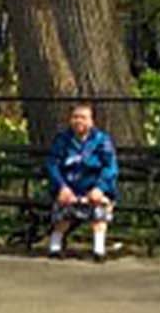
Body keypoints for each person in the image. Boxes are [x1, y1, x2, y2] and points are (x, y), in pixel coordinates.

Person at [44, 102, 118, 260]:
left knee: (100, 207)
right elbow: (52, 165)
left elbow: (110, 167)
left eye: (83, 118)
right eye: (75, 117)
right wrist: (62, 187)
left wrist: (100, 188)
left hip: (93, 189)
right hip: (69, 188)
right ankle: (55, 247)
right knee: (62, 208)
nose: (79, 121)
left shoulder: (102, 140)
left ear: (91, 121)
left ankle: (99, 250)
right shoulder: (62, 140)